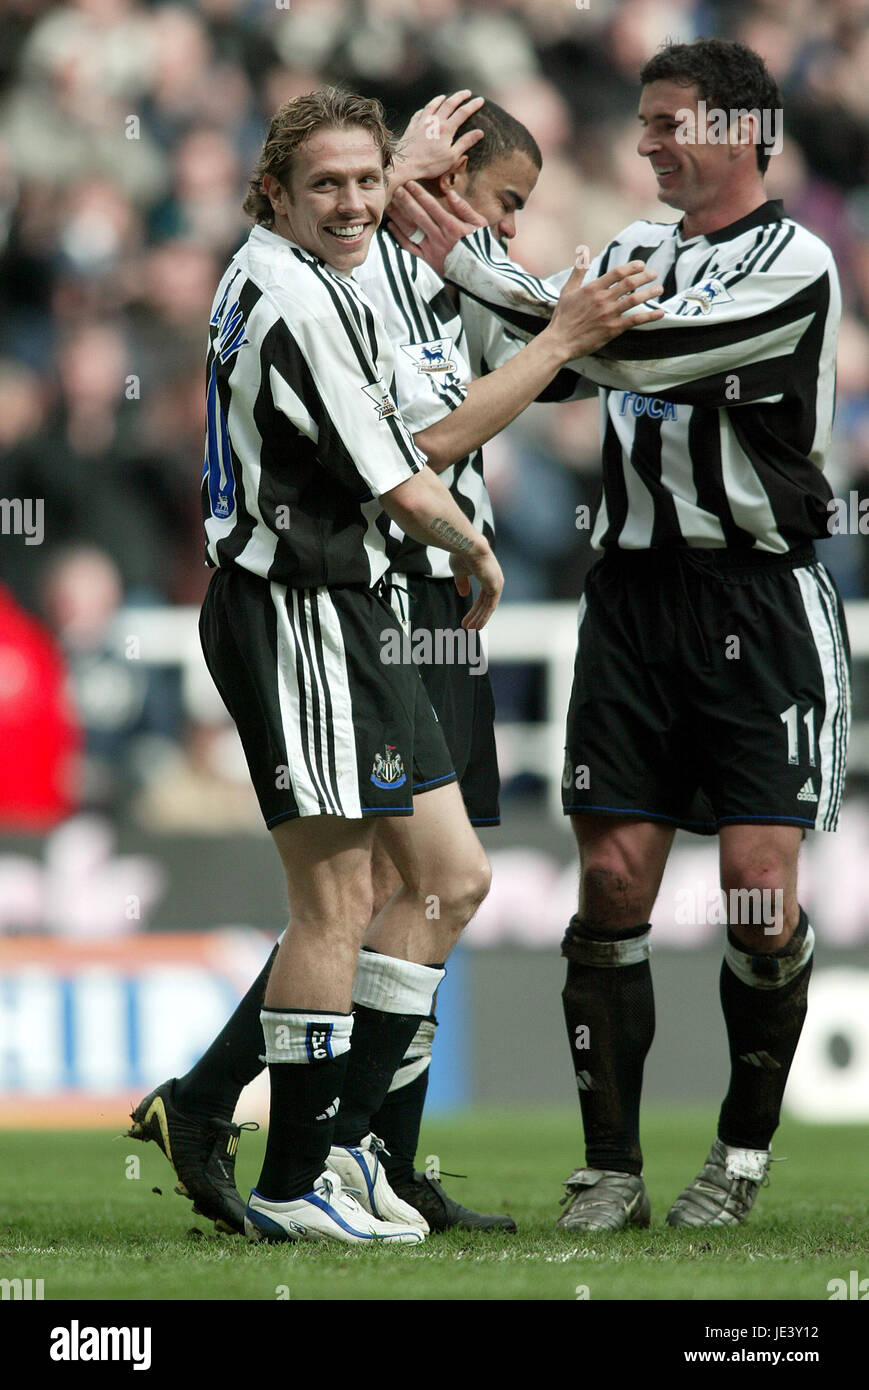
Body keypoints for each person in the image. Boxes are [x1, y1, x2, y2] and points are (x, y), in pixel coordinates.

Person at [128, 87, 661, 1245]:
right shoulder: (306, 295)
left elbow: (425, 423)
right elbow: (414, 460)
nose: (356, 202)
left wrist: (383, 175)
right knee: (341, 896)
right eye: (327, 184)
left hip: (362, 601)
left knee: (444, 878)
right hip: (308, 601)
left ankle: (340, 1146)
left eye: (369, 182)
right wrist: (473, 539)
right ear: (273, 192)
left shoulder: (328, 274)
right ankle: (297, 1172)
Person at [388, 38, 850, 1231]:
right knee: (607, 878)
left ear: (744, 130)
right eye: (640, 122)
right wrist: (469, 273)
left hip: (759, 597)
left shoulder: (794, 262)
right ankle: (610, 1171)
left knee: (755, 891)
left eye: (666, 121)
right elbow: (555, 373)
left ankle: (737, 1157)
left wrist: (477, 259)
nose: (642, 142)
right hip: (634, 601)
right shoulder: (638, 248)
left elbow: (635, 352)